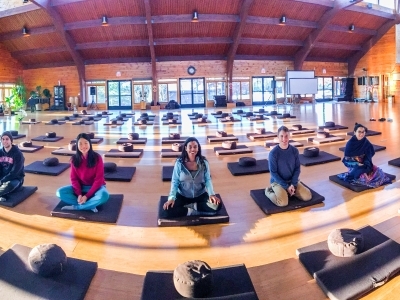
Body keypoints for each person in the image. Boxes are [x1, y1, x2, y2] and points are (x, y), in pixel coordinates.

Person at [163, 137, 221, 217]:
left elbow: (207, 179)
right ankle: (191, 210)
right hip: (183, 195)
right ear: (186, 148)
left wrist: (211, 194)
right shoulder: (179, 163)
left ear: (198, 148)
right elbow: (175, 181)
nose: (193, 149)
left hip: (200, 195)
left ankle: (193, 207)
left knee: (217, 205)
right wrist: (171, 198)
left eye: (195, 147)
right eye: (190, 147)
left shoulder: (204, 162)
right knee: (167, 210)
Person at [56, 133, 109, 212]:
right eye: (80, 144)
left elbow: (99, 179)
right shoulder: (74, 160)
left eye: (86, 143)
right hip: (82, 187)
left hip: (97, 187)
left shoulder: (97, 158)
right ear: (77, 146)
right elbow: (74, 179)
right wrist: (79, 195)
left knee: (104, 195)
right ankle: (90, 204)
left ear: (90, 144)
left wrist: (87, 196)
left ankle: (77, 207)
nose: (83, 146)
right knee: (60, 192)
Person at [265, 126, 312, 207]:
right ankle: (268, 191)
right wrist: (286, 186)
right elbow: (273, 173)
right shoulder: (273, 153)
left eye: (286, 136)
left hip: (291, 181)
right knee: (283, 202)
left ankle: (290, 191)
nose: (284, 139)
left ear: (289, 136)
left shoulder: (294, 151)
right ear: (278, 137)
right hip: (278, 182)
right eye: (281, 136)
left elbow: (297, 169)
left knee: (308, 196)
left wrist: (293, 184)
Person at [339, 123, 390, 187]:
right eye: (359, 132)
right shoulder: (350, 144)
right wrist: (357, 164)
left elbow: (369, 153)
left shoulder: (365, 141)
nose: (361, 134)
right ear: (355, 132)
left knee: (379, 173)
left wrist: (366, 162)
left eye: (363, 132)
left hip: (364, 163)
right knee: (363, 178)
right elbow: (347, 159)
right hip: (354, 164)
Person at [0, 131, 25, 201]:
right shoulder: (0, 152)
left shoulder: (18, 154)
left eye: (7, 139)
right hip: (2, 177)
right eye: (3, 139)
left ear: (11, 140)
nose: (5, 141)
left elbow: (15, 172)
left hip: (15, 179)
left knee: (9, 185)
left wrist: (2, 181)